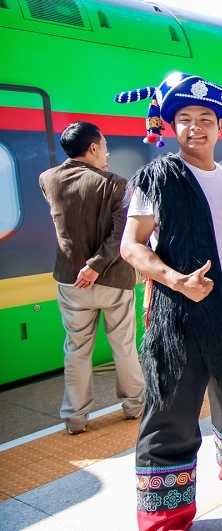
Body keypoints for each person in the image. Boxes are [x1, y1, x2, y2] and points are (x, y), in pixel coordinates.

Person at [118, 73, 222, 531]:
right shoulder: (154, 179)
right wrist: (174, 279)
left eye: (206, 118)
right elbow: (132, 246)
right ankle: (165, 512)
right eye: (185, 119)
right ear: (171, 125)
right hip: (179, 317)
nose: (196, 127)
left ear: (221, 126)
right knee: (171, 413)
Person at [39, 121, 145, 435]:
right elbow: (120, 233)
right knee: (124, 347)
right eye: (105, 146)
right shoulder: (116, 183)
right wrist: (97, 265)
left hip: (71, 283)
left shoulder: (47, 180)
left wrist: (85, 269)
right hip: (113, 280)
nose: (107, 153)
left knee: (76, 350)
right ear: (94, 147)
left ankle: (74, 418)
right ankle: (135, 406)